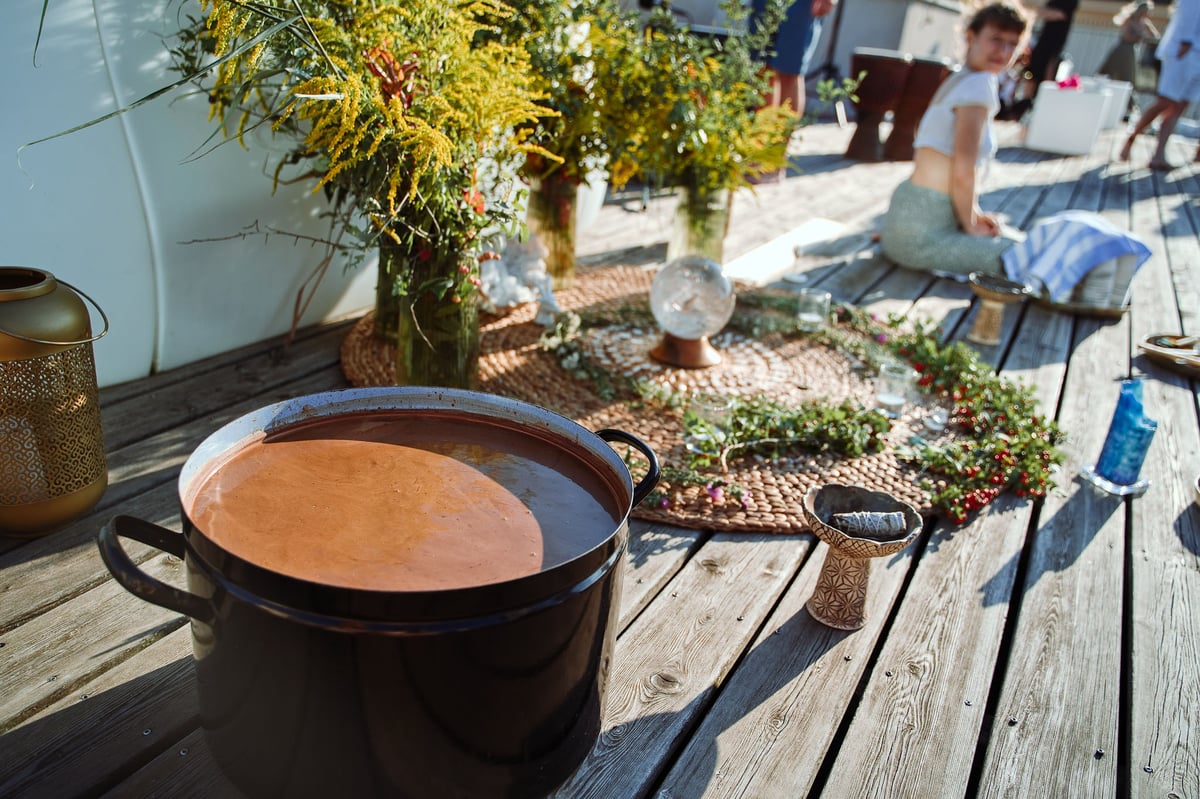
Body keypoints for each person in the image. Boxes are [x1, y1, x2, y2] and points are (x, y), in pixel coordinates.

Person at [879, 2, 1031, 278]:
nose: (1004, 52)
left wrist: (974, 214)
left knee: (1010, 236)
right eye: (996, 40)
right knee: (1026, 254)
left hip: (904, 222)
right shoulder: (979, 84)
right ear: (971, 35)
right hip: (921, 237)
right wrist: (970, 224)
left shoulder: (959, 78)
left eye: (1012, 44)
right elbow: (963, 170)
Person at [1120, 0, 1200, 170]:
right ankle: (1131, 139)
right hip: (1184, 53)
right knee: (1165, 102)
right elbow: (1188, 14)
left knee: (1179, 106)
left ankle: (1158, 155)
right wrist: (1185, 43)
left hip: (1196, 55)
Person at [1098, 1, 1160, 85]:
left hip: (1132, 50)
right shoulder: (1130, 20)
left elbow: (1155, 36)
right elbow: (1126, 36)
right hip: (1123, 48)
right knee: (1111, 69)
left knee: (1129, 74)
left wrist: (1147, 37)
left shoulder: (1145, 23)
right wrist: (1140, 37)